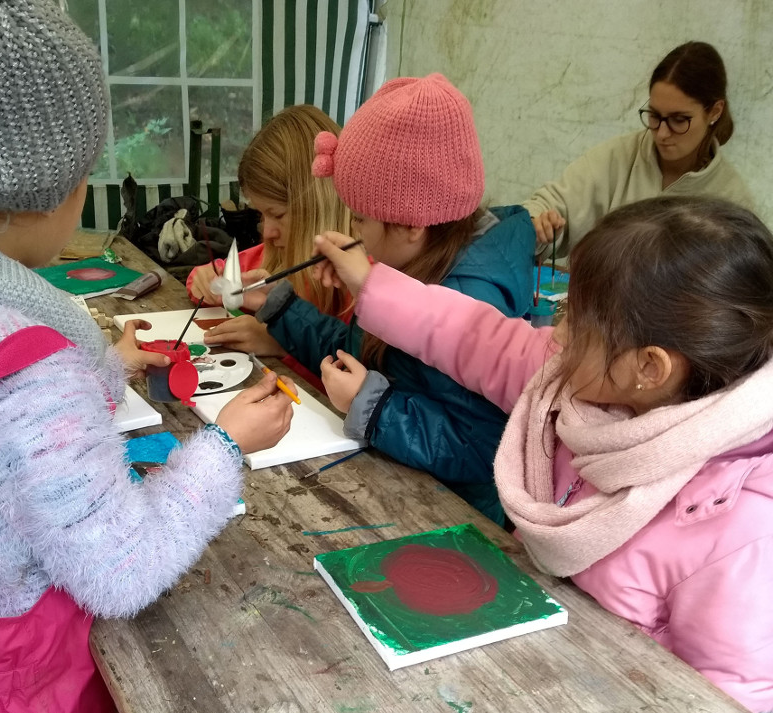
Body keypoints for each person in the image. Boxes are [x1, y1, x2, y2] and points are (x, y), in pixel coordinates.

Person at [312, 195, 773, 713]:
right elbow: (472, 335)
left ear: (650, 368)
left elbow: (732, 691)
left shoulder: (743, 525)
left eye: (577, 319)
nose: (555, 329)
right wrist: (367, 280)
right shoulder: (572, 385)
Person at [0, 3, 295, 711]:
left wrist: (105, 368)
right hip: (19, 680)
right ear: (55, 186)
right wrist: (225, 446)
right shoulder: (30, 366)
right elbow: (123, 567)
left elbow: (5, 447)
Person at [251, 73, 536, 527]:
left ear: (411, 226)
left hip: (459, 521)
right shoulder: (411, 267)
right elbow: (363, 355)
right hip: (403, 486)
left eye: (361, 219)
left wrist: (373, 405)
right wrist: (283, 308)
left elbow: (482, 448)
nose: (354, 232)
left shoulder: (466, 301)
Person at [524, 41, 754, 256]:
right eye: (654, 115)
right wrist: (538, 224)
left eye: (679, 119)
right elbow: (546, 205)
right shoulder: (618, 158)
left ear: (715, 111)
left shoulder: (732, 199)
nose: (662, 133)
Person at [186, 104, 354, 375]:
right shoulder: (275, 253)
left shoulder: (358, 281)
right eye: (262, 215)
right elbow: (206, 277)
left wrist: (280, 346)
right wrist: (207, 278)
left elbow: (357, 378)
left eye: (277, 214)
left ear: (315, 206)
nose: (267, 232)